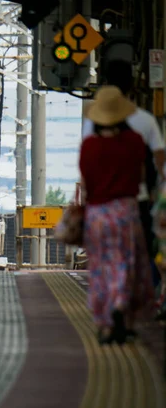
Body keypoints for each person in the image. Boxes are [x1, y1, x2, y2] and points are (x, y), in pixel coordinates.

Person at [80, 86, 154, 344]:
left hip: (98, 215)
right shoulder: (134, 142)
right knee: (126, 264)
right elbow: (143, 176)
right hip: (126, 212)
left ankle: (105, 324)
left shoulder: (89, 146)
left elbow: (87, 183)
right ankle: (122, 304)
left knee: (101, 267)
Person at [82, 59, 165, 289]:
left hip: (101, 204)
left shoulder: (92, 124)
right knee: (144, 251)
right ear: (132, 85)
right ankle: (146, 294)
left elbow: (87, 166)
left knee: (104, 257)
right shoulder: (145, 121)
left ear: (106, 84)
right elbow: (160, 161)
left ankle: (110, 303)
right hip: (136, 202)